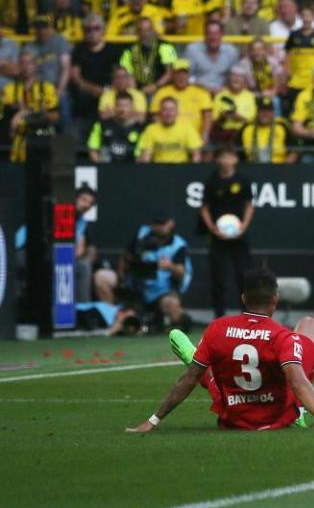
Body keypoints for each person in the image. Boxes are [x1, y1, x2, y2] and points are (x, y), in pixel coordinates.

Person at [127, 268, 314, 433]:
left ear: (243, 298)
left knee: (208, 375)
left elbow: (187, 380)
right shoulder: (283, 336)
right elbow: (299, 383)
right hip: (276, 416)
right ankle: (298, 411)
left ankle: (200, 359)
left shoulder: (217, 328)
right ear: (275, 300)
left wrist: (153, 421)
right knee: (311, 324)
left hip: (233, 418)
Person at [93, 217, 193, 332]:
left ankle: (178, 320)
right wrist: (122, 276)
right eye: (156, 224)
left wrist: (169, 266)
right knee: (102, 276)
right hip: (136, 284)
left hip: (160, 291)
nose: (159, 228)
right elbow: (126, 255)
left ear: (170, 224)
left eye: (162, 224)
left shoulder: (178, 245)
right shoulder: (143, 235)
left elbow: (181, 271)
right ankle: (110, 319)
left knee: (172, 305)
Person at [200, 147, 254, 318]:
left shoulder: (243, 180)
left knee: (244, 275)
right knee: (218, 275)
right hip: (218, 237)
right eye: (222, 157)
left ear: (235, 160)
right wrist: (213, 229)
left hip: (239, 235)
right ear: (218, 160)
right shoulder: (212, 181)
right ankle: (219, 316)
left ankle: (246, 314)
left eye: (229, 156)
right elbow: (205, 208)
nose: (226, 161)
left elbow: (249, 205)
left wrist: (243, 226)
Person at [1, 52, 59, 163]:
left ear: (36, 66)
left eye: (29, 63)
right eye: (22, 63)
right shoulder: (9, 90)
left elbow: (55, 116)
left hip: (40, 139)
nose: (25, 66)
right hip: (14, 140)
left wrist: (27, 112)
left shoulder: (46, 88)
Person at [151, 59, 213, 140]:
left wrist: (204, 136)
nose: (181, 77)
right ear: (172, 75)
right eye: (178, 73)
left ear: (189, 75)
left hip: (195, 138)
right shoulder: (162, 92)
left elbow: (207, 117)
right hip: (169, 138)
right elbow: (156, 116)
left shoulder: (201, 93)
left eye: (184, 73)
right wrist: (164, 136)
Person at [119, 17, 178, 96]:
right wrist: (136, 91)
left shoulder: (165, 46)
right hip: (138, 89)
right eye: (142, 30)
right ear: (137, 32)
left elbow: (170, 73)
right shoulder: (129, 50)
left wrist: (155, 86)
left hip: (161, 88)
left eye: (148, 30)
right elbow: (127, 73)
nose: (145, 34)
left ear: (153, 30)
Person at [137, 97, 203, 163]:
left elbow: (196, 154)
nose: (168, 113)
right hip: (158, 168)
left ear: (177, 112)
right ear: (160, 112)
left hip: (181, 168)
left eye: (172, 109)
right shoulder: (151, 129)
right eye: (165, 109)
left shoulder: (187, 128)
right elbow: (146, 155)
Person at [185, 21, 240, 96]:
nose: (213, 37)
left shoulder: (231, 51)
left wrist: (224, 88)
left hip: (224, 93)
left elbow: (235, 76)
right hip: (198, 92)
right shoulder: (192, 50)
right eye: (210, 33)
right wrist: (202, 87)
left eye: (216, 33)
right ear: (204, 35)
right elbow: (187, 76)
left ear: (221, 35)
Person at [87, 91, 145, 163]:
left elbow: (140, 156)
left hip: (131, 169)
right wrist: (100, 167)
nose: (122, 109)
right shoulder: (101, 125)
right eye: (119, 105)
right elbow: (92, 148)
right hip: (106, 168)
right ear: (115, 107)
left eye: (126, 106)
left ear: (132, 107)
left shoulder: (140, 128)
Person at [212, 67, 257, 145]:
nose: (236, 79)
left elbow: (252, 120)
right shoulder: (219, 96)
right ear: (229, 79)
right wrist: (223, 117)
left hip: (245, 131)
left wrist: (237, 117)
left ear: (245, 81)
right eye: (234, 76)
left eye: (240, 77)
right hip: (225, 132)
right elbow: (214, 121)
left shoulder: (250, 96)